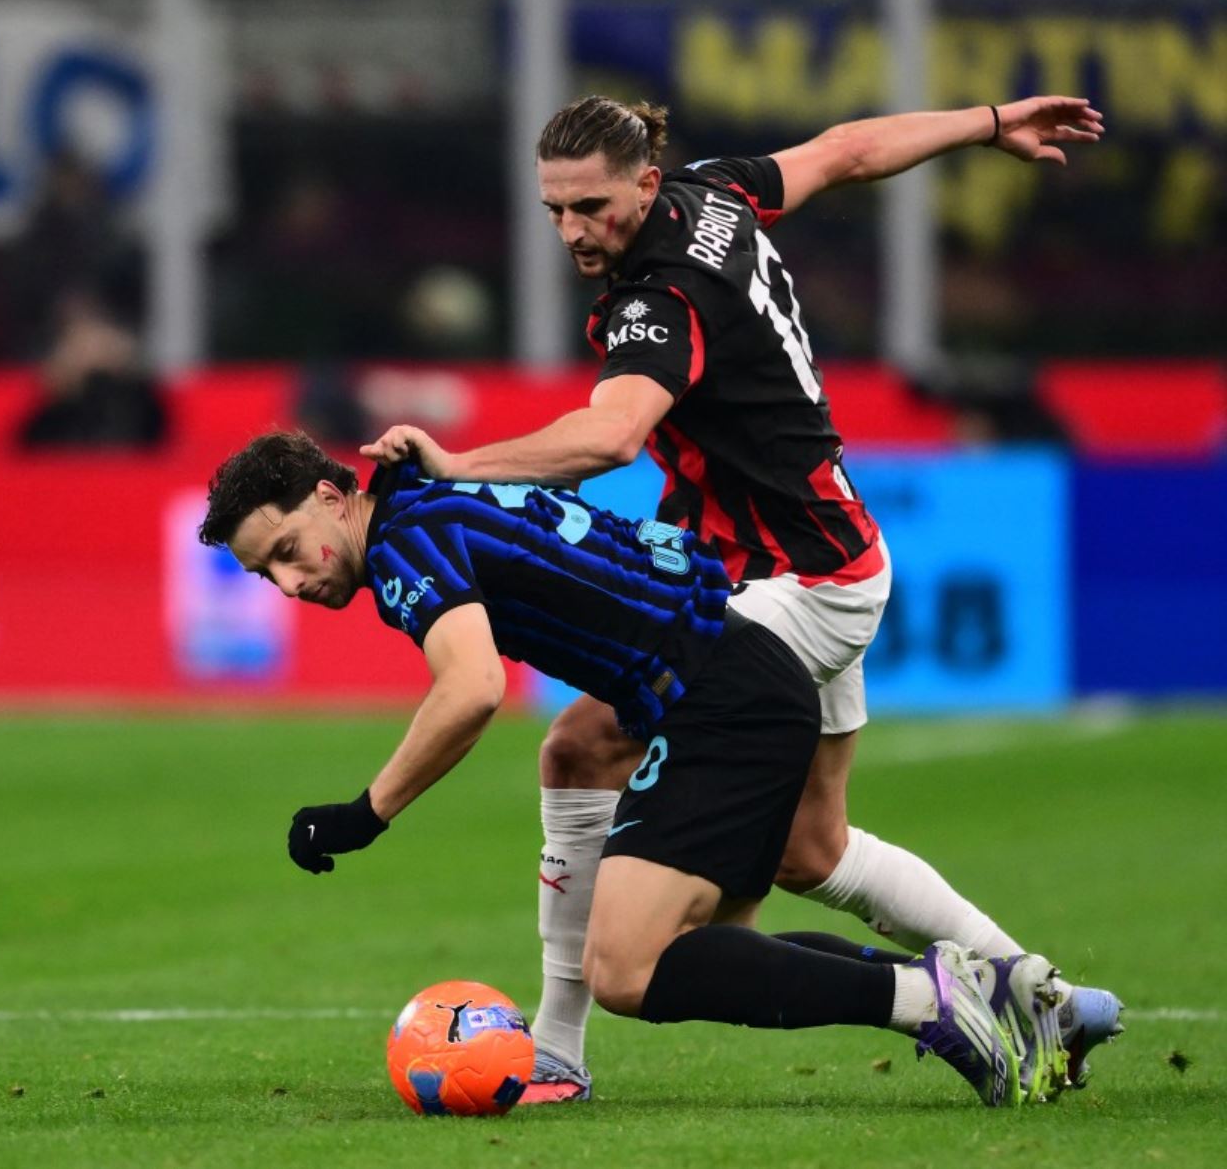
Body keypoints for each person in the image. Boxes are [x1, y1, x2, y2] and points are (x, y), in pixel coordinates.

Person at [359, 94, 1121, 1100]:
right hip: (834, 557)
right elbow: (845, 149)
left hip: (787, 585)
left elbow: (611, 435)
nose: (572, 230)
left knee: (579, 748)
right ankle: (1043, 991)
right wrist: (986, 122)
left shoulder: (662, 297)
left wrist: (458, 465)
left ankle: (557, 1046)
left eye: (591, 207)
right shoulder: (713, 193)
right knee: (814, 848)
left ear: (643, 185)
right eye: (554, 209)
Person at [198, 431, 1075, 1108]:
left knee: (627, 970)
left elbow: (472, 689)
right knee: (701, 948)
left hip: (722, 698)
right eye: (264, 574)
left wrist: (366, 812)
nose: (289, 583)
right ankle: (974, 987)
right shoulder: (433, 500)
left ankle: (931, 998)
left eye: (286, 550)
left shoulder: (404, 543)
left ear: (331, 496)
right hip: (734, 679)